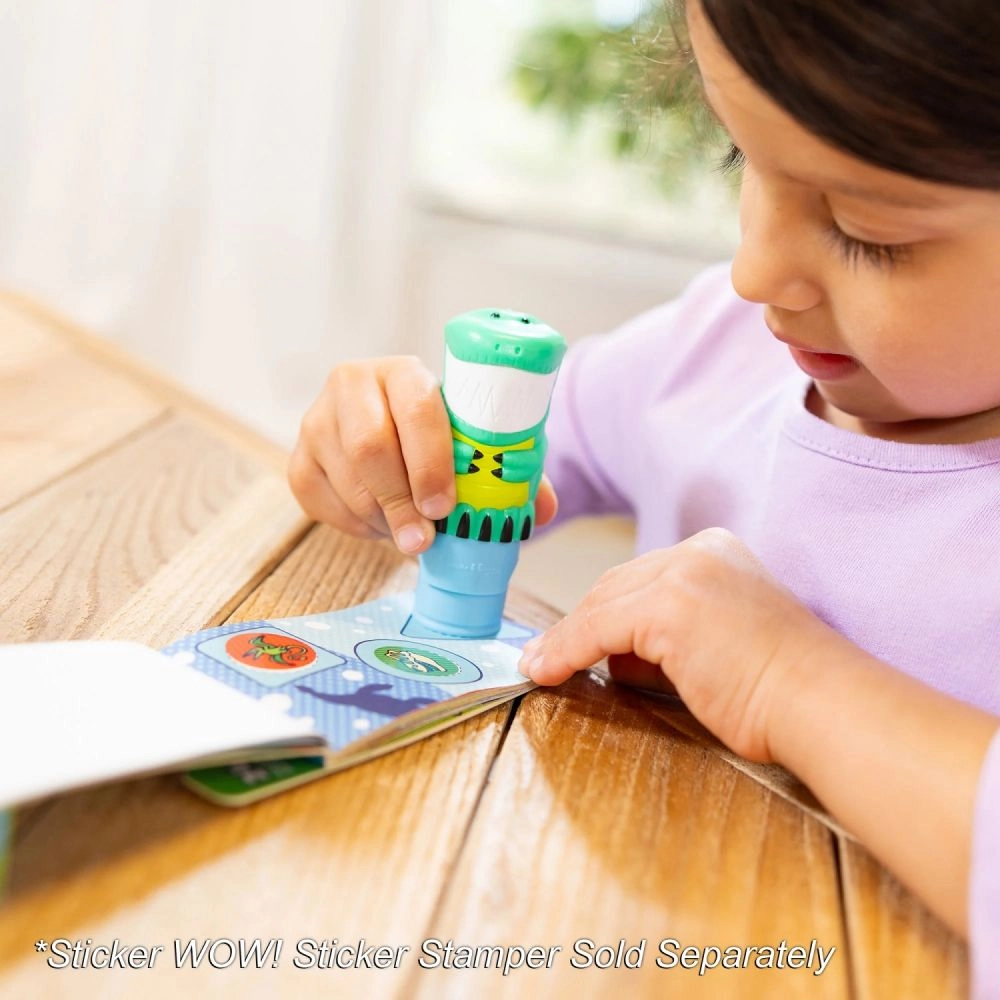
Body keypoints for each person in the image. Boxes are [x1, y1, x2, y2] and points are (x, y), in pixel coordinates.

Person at [288, 0, 1000, 991]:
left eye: (866, 230)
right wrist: (388, 449)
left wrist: (789, 679)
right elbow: (503, 465)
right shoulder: (714, 350)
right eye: (741, 156)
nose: (755, 272)